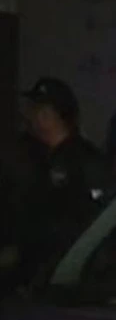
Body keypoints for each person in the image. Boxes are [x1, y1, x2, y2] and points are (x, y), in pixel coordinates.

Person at [0, 77, 109, 287]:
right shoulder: (29, 154)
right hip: (28, 271)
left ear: (48, 114)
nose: (29, 116)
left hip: (64, 273)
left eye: (35, 109)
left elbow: (91, 222)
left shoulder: (84, 160)